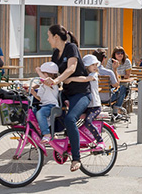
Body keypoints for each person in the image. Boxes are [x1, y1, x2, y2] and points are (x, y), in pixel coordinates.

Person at [39, 24, 90, 172]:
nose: (47, 39)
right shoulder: (55, 54)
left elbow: (71, 68)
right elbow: (51, 72)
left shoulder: (71, 48)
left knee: (70, 119)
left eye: (48, 36)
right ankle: (56, 141)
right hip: (66, 92)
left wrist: (57, 81)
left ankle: (76, 158)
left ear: (56, 37)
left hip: (81, 93)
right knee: (46, 107)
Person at [65, 54, 105, 151]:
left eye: (96, 65)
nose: (95, 67)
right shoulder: (86, 74)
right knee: (72, 121)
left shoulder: (93, 75)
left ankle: (100, 141)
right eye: (93, 65)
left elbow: (85, 79)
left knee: (88, 122)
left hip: (95, 106)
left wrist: (70, 79)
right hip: (87, 106)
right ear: (86, 66)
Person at [31, 62, 60, 145]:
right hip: (44, 105)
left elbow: (45, 80)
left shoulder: (53, 83)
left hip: (52, 105)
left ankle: (46, 134)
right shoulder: (42, 86)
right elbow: (40, 98)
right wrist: (33, 93)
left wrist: (38, 71)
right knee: (31, 114)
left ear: (47, 75)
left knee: (40, 113)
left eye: (43, 73)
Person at [93, 49, 127, 119]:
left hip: (93, 98)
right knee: (123, 88)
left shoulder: (88, 71)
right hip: (106, 98)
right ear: (103, 59)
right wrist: (114, 69)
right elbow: (116, 85)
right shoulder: (108, 72)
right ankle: (115, 111)